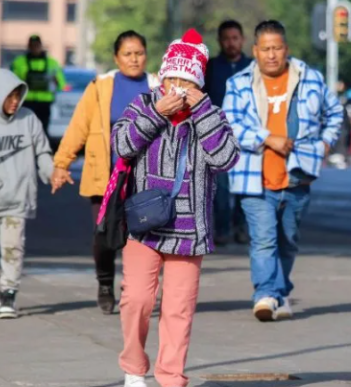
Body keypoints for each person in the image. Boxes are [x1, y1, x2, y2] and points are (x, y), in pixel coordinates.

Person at [112, 29, 239, 387]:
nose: (178, 88)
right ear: (162, 77)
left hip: (190, 230)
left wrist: (201, 110)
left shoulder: (209, 114)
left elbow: (226, 158)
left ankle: (171, 378)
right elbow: (121, 146)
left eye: (187, 81)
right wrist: (155, 113)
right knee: (136, 299)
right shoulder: (142, 105)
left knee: (178, 310)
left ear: (198, 83)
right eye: (172, 79)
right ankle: (134, 367)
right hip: (144, 224)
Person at [224, 20, 343, 322]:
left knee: (288, 239)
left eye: (277, 48)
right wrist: (266, 138)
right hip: (254, 177)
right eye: (265, 49)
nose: (272, 54)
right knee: (264, 239)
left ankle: (282, 291)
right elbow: (230, 125)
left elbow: (335, 112)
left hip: (297, 175)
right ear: (255, 51)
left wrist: (326, 144)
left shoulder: (310, 79)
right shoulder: (238, 84)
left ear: (286, 49)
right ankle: (265, 294)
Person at [51, 31, 159, 315]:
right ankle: (105, 282)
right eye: (127, 54)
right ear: (116, 58)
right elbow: (79, 126)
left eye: (139, 53)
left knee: (141, 238)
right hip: (107, 176)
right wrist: (62, 163)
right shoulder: (101, 86)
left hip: (145, 178)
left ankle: (135, 291)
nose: (134, 59)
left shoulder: (157, 85)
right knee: (104, 234)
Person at [0, 69, 54, 319]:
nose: (14, 102)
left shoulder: (29, 119)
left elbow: (42, 152)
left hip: (17, 200)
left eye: (17, 96)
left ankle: (8, 294)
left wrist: (51, 173)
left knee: (12, 248)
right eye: (9, 97)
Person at [204, 20, 252, 246]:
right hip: (218, 138)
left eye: (235, 38)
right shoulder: (211, 68)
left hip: (248, 138)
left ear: (242, 40)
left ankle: (241, 227)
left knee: (245, 188)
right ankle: (221, 229)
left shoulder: (254, 68)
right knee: (221, 189)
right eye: (226, 39)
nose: (231, 43)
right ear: (219, 41)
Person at [11, 35, 66, 137]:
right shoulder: (18, 63)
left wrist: (56, 83)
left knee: (42, 131)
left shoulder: (52, 63)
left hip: (44, 103)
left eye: (37, 45)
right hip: (26, 101)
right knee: (25, 130)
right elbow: (11, 83)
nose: (35, 48)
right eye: (32, 45)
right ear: (28, 46)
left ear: (41, 46)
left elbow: (61, 84)